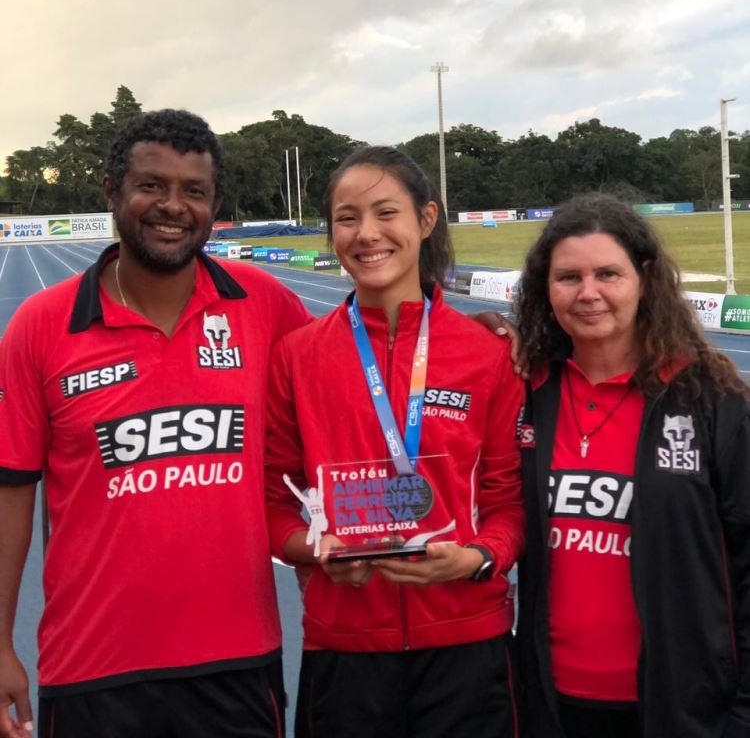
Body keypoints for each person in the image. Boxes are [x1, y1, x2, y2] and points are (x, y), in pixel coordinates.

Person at [0, 109, 312, 738]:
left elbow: (358, 373)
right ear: (112, 192)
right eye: (151, 185)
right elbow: (10, 493)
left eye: (193, 191)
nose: (173, 206)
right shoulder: (40, 325)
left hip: (238, 660)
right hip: (93, 665)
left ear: (213, 204)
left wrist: (474, 333)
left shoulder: (267, 305)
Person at [265, 146, 525, 738]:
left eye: (387, 213)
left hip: (467, 644)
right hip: (346, 646)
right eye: (347, 218)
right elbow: (271, 500)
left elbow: (509, 500)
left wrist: (479, 557)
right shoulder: (297, 356)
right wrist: (315, 550)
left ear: (426, 220)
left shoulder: (487, 354)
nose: (367, 234)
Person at [514, 193, 750, 738]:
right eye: (568, 277)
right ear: (544, 287)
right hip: (550, 705)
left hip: (684, 709)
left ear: (645, 278)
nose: (589, 293)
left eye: (608, 274)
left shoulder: (712, 401)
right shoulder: (527, 394)